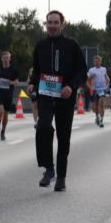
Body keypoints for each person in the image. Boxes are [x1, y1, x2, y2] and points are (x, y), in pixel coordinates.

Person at [27, 10, 87, 193]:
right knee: (43, 127)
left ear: (62, 25)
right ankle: (48, 169)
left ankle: (61, 177)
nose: (52, 26)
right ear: (45, 25)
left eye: (55, 22)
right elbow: (36, 71)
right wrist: (31, 84)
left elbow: (82, 72)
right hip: (45, 94)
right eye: (49, 23)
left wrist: (71, 86)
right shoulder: (41, 45)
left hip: (65, 97)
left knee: (63, 137)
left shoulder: (71, 45)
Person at [0, 51, 20, 141]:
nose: (6, 59)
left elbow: (17, 82)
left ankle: (3, 132)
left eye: (7, 58)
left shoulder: (14, 69)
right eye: (4, 58)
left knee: (6, 114)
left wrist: (11, 82)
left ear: (10, 59)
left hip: (9, 93)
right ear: (1, 59)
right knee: (1, 111)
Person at [86, 55, 109, 128]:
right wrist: (90, 87)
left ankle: (101, 120)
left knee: (101, 104)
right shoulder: (91, 70)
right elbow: (86, 80)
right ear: (94, 62)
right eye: (95, 61)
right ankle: (97, 116)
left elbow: (106, 77)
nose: (97, 62)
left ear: (101, 62)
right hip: (95, 89)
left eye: (98, 61)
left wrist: (108, 82)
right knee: (95, 106)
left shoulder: (104, 69)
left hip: (102, 89)